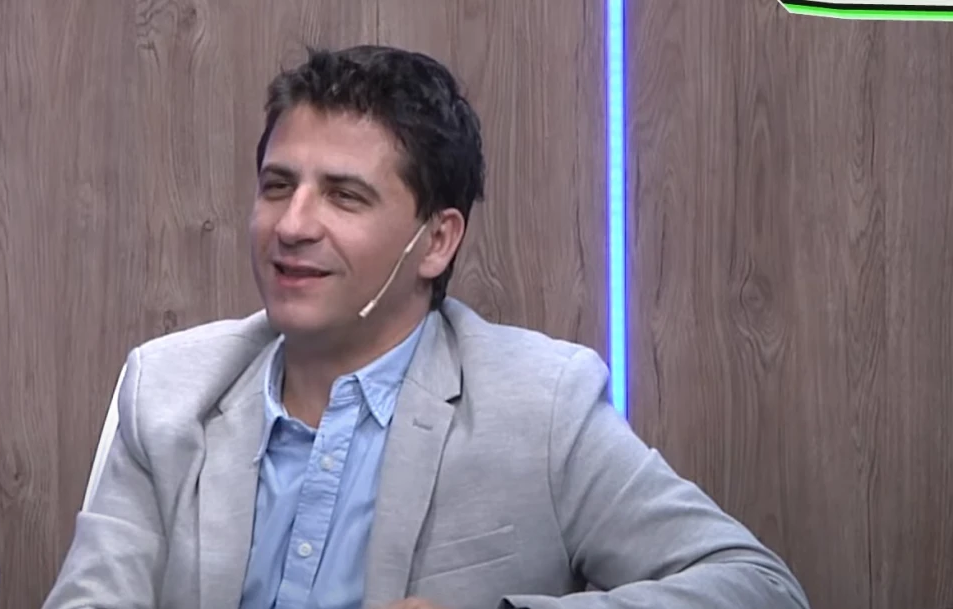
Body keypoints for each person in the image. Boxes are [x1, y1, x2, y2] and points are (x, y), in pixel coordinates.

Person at [42, 45, 810, 609]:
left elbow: (759, 587)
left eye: (344, 196)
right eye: (277, 186)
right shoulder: (167, 389)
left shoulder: (540, 406)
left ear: (436, 241)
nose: (292, 225)